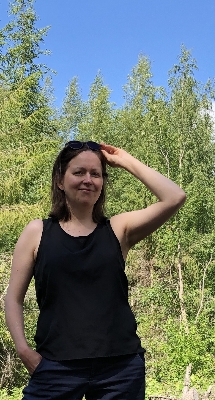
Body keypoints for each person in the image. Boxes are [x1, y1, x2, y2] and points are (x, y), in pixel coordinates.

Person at [5, 141, 186, 399]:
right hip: (55, 367)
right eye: (78, 172)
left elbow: (175, 197)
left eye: (96, 174)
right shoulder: (37, 232)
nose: (88, 180)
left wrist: (124, 160)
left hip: (120, 371)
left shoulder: (118, 230)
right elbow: (13, 298)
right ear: (60, 180)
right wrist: (23, 349)